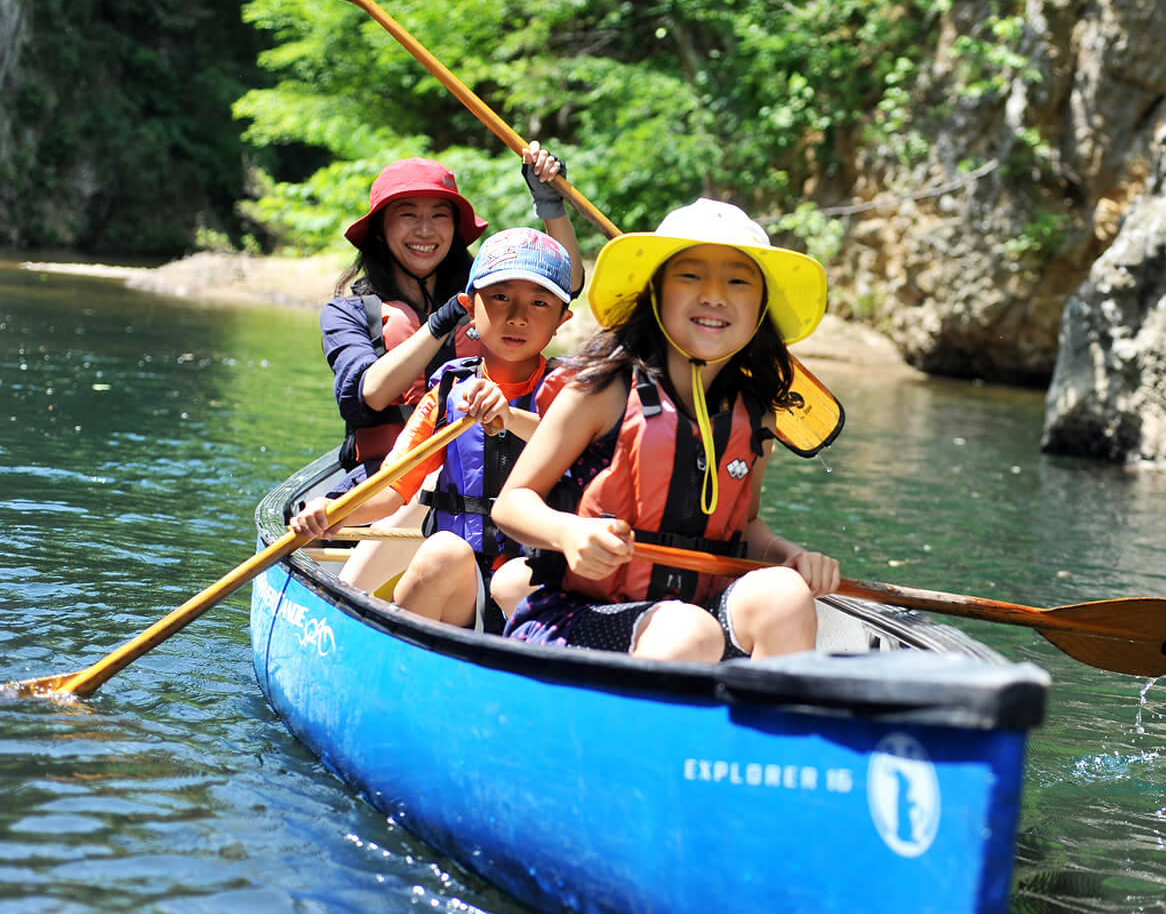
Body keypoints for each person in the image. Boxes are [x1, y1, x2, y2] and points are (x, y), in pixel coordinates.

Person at [491, 198, 841, 662]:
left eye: (737, 282)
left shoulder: (754, 415)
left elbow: (747, 524)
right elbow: (513, 505)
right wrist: (568, 534)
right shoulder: (604, 388)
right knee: (690, 631)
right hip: (578, 614)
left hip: (694, 614)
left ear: (760, 308)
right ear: (655, 294)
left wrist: (789, 554)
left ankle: (772, 727)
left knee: (785, 594)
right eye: (691, 276)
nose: (714, 296)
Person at [289, 227, 576, 632]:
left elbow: (577, 449)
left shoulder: (575, 392)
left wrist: (510, 418)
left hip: (535, 582)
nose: (517, 316)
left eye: (539, 302)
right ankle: (405, 669)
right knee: (441, 551)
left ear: (563, 318)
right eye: (500, 297)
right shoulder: (447, 391)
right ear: (469, 305)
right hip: (466, 589)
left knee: (518, 580)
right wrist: (332, 514)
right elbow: (392, 489)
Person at [321, 146, 582, 489]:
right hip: (383, 475)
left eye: (439, 216)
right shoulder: (348, 313)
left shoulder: (485, 299)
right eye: (408, 215)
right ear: (381, 229)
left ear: (455, 229)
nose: (425, 231)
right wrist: (440, 323)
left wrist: (551, 205)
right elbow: (371, 393)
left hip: (483, 465)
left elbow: (567, 285)